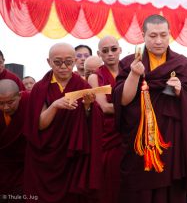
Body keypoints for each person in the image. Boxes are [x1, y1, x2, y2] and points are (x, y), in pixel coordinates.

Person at [112, 14, 187, 203]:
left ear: (170, 34)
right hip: (139, 142)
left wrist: (182, 92)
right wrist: (134, 74)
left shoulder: (183, 65)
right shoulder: (130, 63)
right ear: (143, 35)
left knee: (168, 192)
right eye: (153, 36)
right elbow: (122, 100)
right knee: (137, 191)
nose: (158, 41)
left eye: (163, 35)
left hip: (171, 141)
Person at [23, 43, 100, 203]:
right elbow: (39, 126)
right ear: (49, 62)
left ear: (75, 61)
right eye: (58, 62)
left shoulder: (82, 86)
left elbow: (89, 123)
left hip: (71, 156)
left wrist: (87, 106)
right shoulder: (40, 88)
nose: (64, 67)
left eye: (69, 62)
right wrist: (55, 105)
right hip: (45, 156)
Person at [87, 36, 122, 203]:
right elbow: (105, 107)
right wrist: (134, 110)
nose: (110, 54)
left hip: (130, 134)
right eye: (105, 51)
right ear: (99, 54)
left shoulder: (130, 72)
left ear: (120, 50)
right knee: (109, 182)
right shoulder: (95, 77)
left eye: (114, 49)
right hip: (108, 136)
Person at [0, 79, 29, 203]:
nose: (5, 107)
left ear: (19, 96)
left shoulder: (30, 101)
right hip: (3, 165)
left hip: (26, 165)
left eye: (10, 102)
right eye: (1, 103)